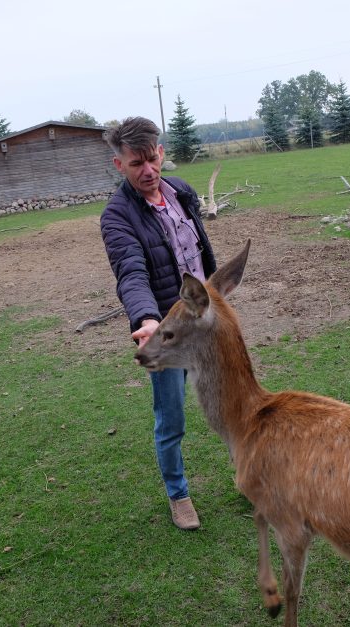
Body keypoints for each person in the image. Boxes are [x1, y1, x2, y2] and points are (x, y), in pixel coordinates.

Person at [99, 117, 216, 530]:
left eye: (152, 159)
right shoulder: (117, 217)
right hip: (166, 332)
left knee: (231, 397)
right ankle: (178, 493)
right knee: (172, 418)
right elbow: (131, 272)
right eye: (136, 164)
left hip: (208, 320)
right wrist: (147, 320)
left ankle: (249, 474)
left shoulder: (182, 191)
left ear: (161, 152)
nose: (147, 171)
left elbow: (199, 250)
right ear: (119, 165)